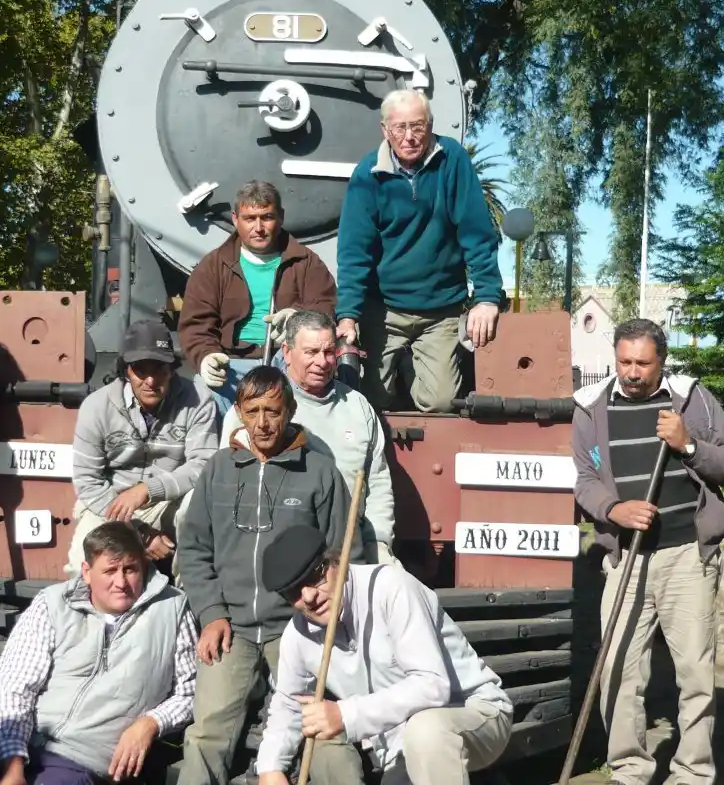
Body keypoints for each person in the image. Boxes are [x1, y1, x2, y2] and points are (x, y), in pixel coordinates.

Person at [571, 318, 724, 785]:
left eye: (642, 364)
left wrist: (688, 444)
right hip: (625, 558)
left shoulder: (691, 400)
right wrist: (615, 509)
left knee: (694, 669)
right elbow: (584, 482)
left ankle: (692, 771)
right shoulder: (591, 408)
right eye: (624, 362)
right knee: (618, 669)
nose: (632, 372)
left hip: (686, 556)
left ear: (661, 362)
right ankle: (629, 768)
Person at [175, 366, 366, 785]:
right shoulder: (218, 471)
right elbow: (194, 549)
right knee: (207, 733)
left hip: (299, 628)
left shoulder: (320, 472)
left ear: (291, 411)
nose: (263, 422)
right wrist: (210, 613)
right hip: (232, 628)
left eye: (273, 411)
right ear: (240, 413)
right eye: (253, 410)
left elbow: (345, 555)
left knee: (327, 734)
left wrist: (317, 613)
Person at [254, 524, 514, 784]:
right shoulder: (298, 635)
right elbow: (289, 704)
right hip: (397, 748)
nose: (309, 596)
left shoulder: (390, 587)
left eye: (315, 576)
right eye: (294, 592)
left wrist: (346, 715)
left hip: (475, 713)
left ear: (335, 560)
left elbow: (433, 685)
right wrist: (270, 768)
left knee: (426, 731)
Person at [0, 521, 198, 785]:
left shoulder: (173, 610)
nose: (121, 582)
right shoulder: (53, 603)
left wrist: (151, 722)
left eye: (130, 569)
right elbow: (15, 686)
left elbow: (190, 691)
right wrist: (13, 763)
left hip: (81, 756)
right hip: (8, 734)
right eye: (110, 571)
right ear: (87, 572)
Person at [334, 88, 504, 414]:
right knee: (368, 402)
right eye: (400, 127)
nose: (410, 137)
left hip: (440, 309)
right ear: (385, 130)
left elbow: (476, 232)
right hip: (383, 309)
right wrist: (348, 316)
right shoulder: (367, 175)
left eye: (418, 126)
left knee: (441, 404)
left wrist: (486, 297)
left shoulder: (452, 159)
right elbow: (355, 253)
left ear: (430, 125)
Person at [220, 309, 396, 565]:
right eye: (311, 352)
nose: (322, 362)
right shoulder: (259, 406)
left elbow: (378, 481)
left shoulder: (357, 406)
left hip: (348, 542)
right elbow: (227, 483)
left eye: (328, 352)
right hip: (275, 541)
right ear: (287, 353)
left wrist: (378, 541)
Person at [69, 318, 218, 578]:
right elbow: (87, 481)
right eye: (140, 369)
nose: (150, 380)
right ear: (126, 370)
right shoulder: (96, 407)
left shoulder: (197, 399)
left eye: (159, 369)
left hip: (170, 501)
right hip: (110, 504)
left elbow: (204, 465)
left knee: (198, 505)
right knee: (80, 563)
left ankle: (188, 599)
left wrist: (147, 490)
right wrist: (139, 532)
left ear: (172, 369)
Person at [179, 180, 337, 417]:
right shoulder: (213, 266)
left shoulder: (306, 263)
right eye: (250, 218)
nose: (259, 227)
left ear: (281, 217)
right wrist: (206, 357)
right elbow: (196, 324)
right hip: (231, 363)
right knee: (203, 395)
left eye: (267, 217)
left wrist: (298, 320)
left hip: (287, 362)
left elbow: (324, 310)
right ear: (235, 219)